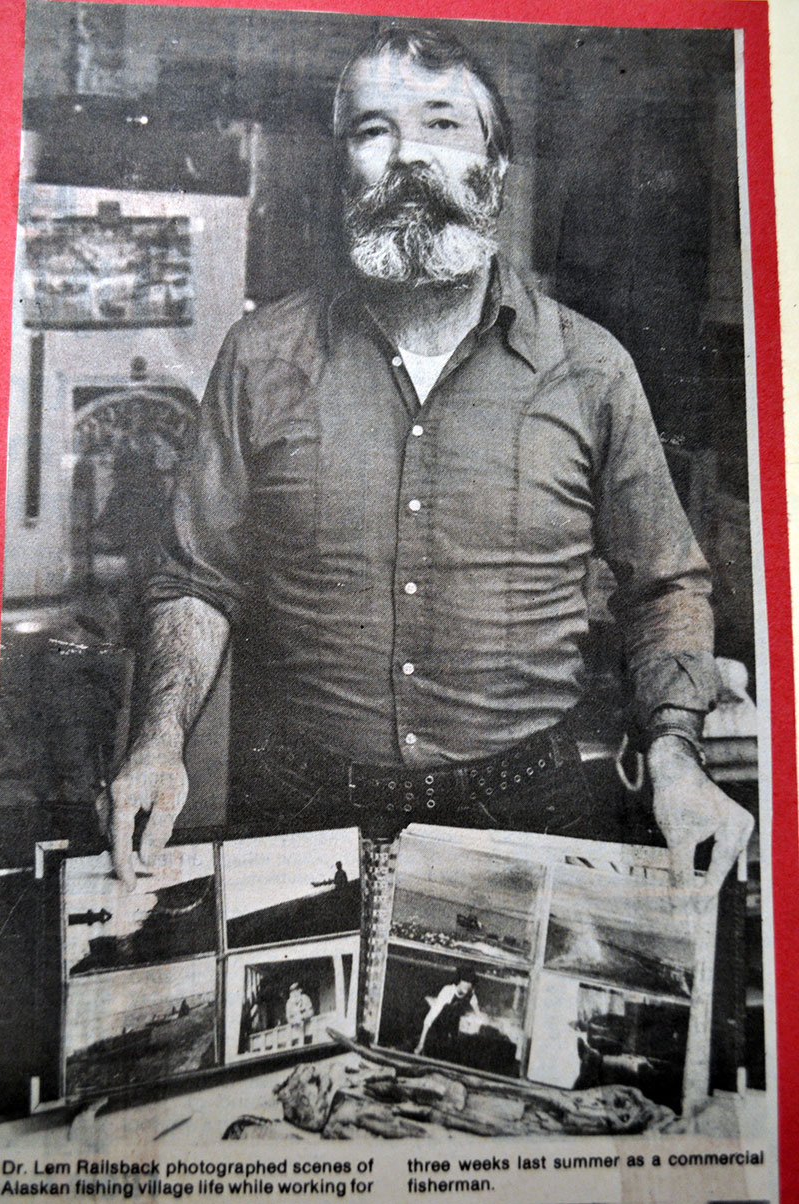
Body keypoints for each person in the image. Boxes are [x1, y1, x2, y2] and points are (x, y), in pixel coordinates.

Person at [98, 24, 752, 895]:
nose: (407, 156)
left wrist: (676, 754)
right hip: (301, 805)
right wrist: (156, 745)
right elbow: (193, 580)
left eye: (442, 125)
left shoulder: (591, 368)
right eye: (374, 129)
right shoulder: (259, 356)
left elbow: (665, 584)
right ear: (346, 172)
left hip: (530, 808)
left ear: (496, 168)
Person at [415, 967, 481, 1059]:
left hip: (452, 1023)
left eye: (470, 982)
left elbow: (479, 1015)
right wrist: (421, 1043)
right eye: (465, 980)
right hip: (436, 1019)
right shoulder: (448, 991)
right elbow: (431, 1016)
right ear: (459, 980)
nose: (467, 984)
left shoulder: (470, 994)